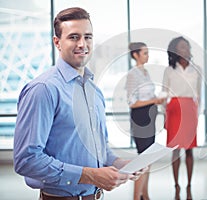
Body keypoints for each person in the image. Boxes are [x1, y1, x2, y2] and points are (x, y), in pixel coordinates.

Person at [13, 7, 145, 200]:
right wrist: (90, 175)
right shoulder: (43, 89)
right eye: (74, 37)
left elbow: (99, 149)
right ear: (57, 42)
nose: (82, 44)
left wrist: (119, 164)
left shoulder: (94, 92)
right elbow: (26, 160)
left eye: (88, 37)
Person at [162, 36, 202, 200]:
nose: (184, 50)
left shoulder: (196, 69)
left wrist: (197, 116)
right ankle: (176, 184)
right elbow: (164, 94)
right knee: (175, 150)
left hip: (190, 110)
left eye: (186, 46)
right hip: (174, 111)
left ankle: (189, 184)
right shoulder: (169, 70)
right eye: (181, 47)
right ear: (175, 51)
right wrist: (164, 115)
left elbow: (199, 96)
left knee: (190, 150)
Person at [125, 42, 165, 200]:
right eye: (145, 53)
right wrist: (153, 101)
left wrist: (156, 101)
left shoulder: (145, 72)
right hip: (140, 118)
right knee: (143, 160)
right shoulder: (133, 74)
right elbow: (132, 102)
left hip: (150, 117)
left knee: (148, 159)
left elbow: (149, 96)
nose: (148, 55)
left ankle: (145, 195)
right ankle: (137, 197)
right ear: (135, 55)